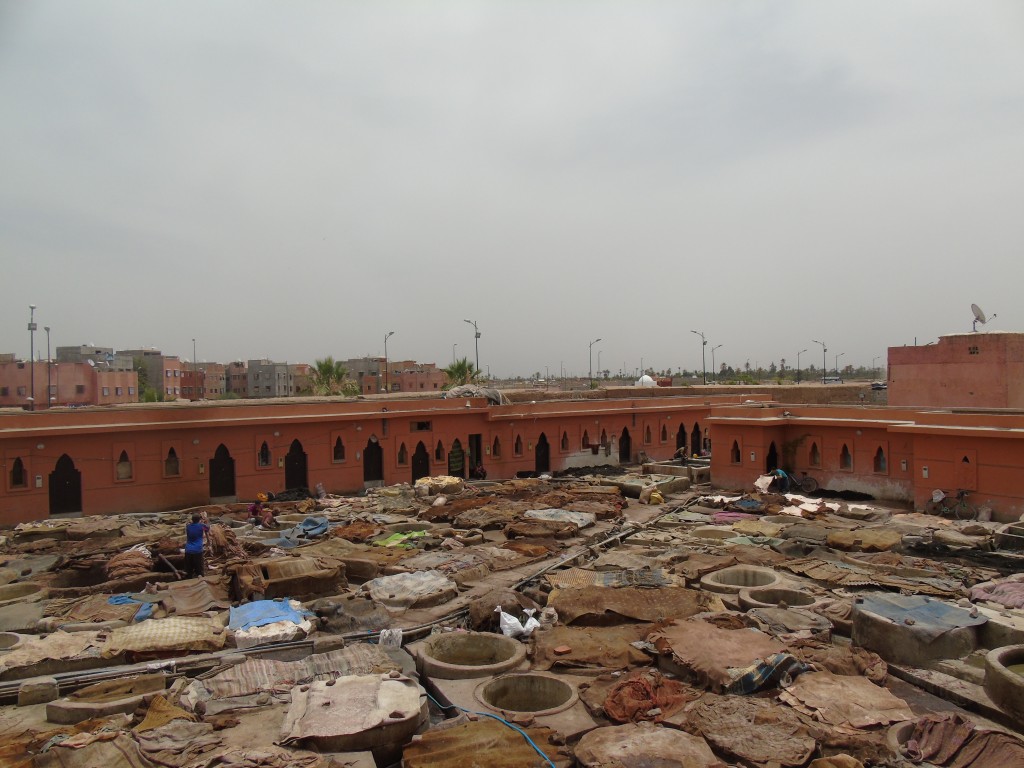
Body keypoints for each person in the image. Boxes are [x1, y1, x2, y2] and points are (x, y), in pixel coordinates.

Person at [184, 512, 209, 578]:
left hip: (188, 550)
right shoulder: (202, 526)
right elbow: (207, 528)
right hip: (198, 550)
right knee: (199, 570)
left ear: (192, 519)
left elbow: (189, 526)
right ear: (199, 519)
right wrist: (206, 520)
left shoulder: (188, 526)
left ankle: (188, 580)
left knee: (188, 570)